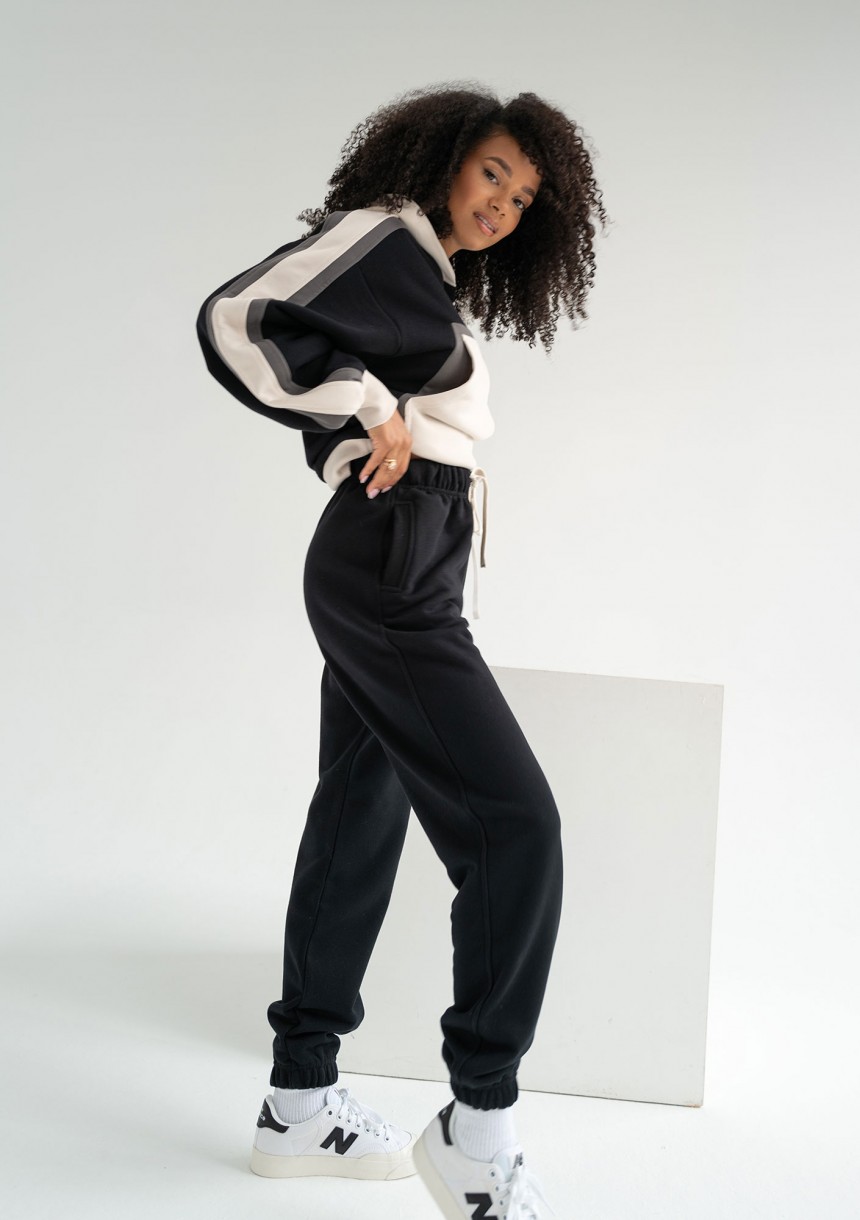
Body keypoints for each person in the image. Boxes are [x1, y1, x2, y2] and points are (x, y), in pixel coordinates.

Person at [196, 81, 608, 1219]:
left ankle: (298, 1101)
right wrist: (360, 406)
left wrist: (369, 407)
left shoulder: (424, 275)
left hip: (402, 561)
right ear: (442, 159)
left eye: (522, 197)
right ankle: (476, 1127)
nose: (502, 204)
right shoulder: (385, 234)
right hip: (389, 563)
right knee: (516, 825)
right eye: (491, 173)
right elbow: (239, 316)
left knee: (360, 815)